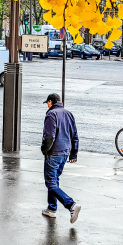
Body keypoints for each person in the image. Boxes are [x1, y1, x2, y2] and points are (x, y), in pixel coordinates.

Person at [40, 93, 81, 223]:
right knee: (54, 181)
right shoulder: (69, 114)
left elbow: (49, 136)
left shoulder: (51, 114)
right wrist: (73, 154)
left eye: (47, 102)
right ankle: (51, 209)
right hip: (65, 153)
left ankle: (71, 205)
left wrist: (44, 150)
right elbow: (74, 135)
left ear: (51, 102)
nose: (47, 105)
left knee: (50, 182)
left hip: (54, 153)